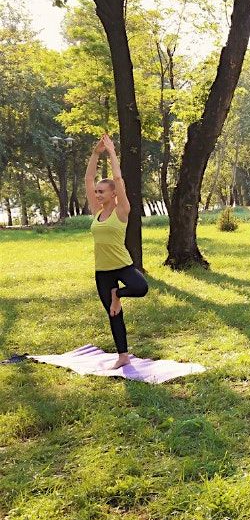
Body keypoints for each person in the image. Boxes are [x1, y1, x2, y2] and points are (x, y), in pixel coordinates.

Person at [85, 134, 148, 368]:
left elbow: (119, 179)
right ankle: (123, 355)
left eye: (102, 192)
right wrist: (95, 153)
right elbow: (89, 177)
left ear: (113, 194)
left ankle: (117, 295)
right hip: (102, 271)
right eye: (97, 192)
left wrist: (112, 152)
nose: (98, 194)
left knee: (141, 287)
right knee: (114, 316)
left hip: (123, 265)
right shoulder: (96, 211)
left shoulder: (122, 211)